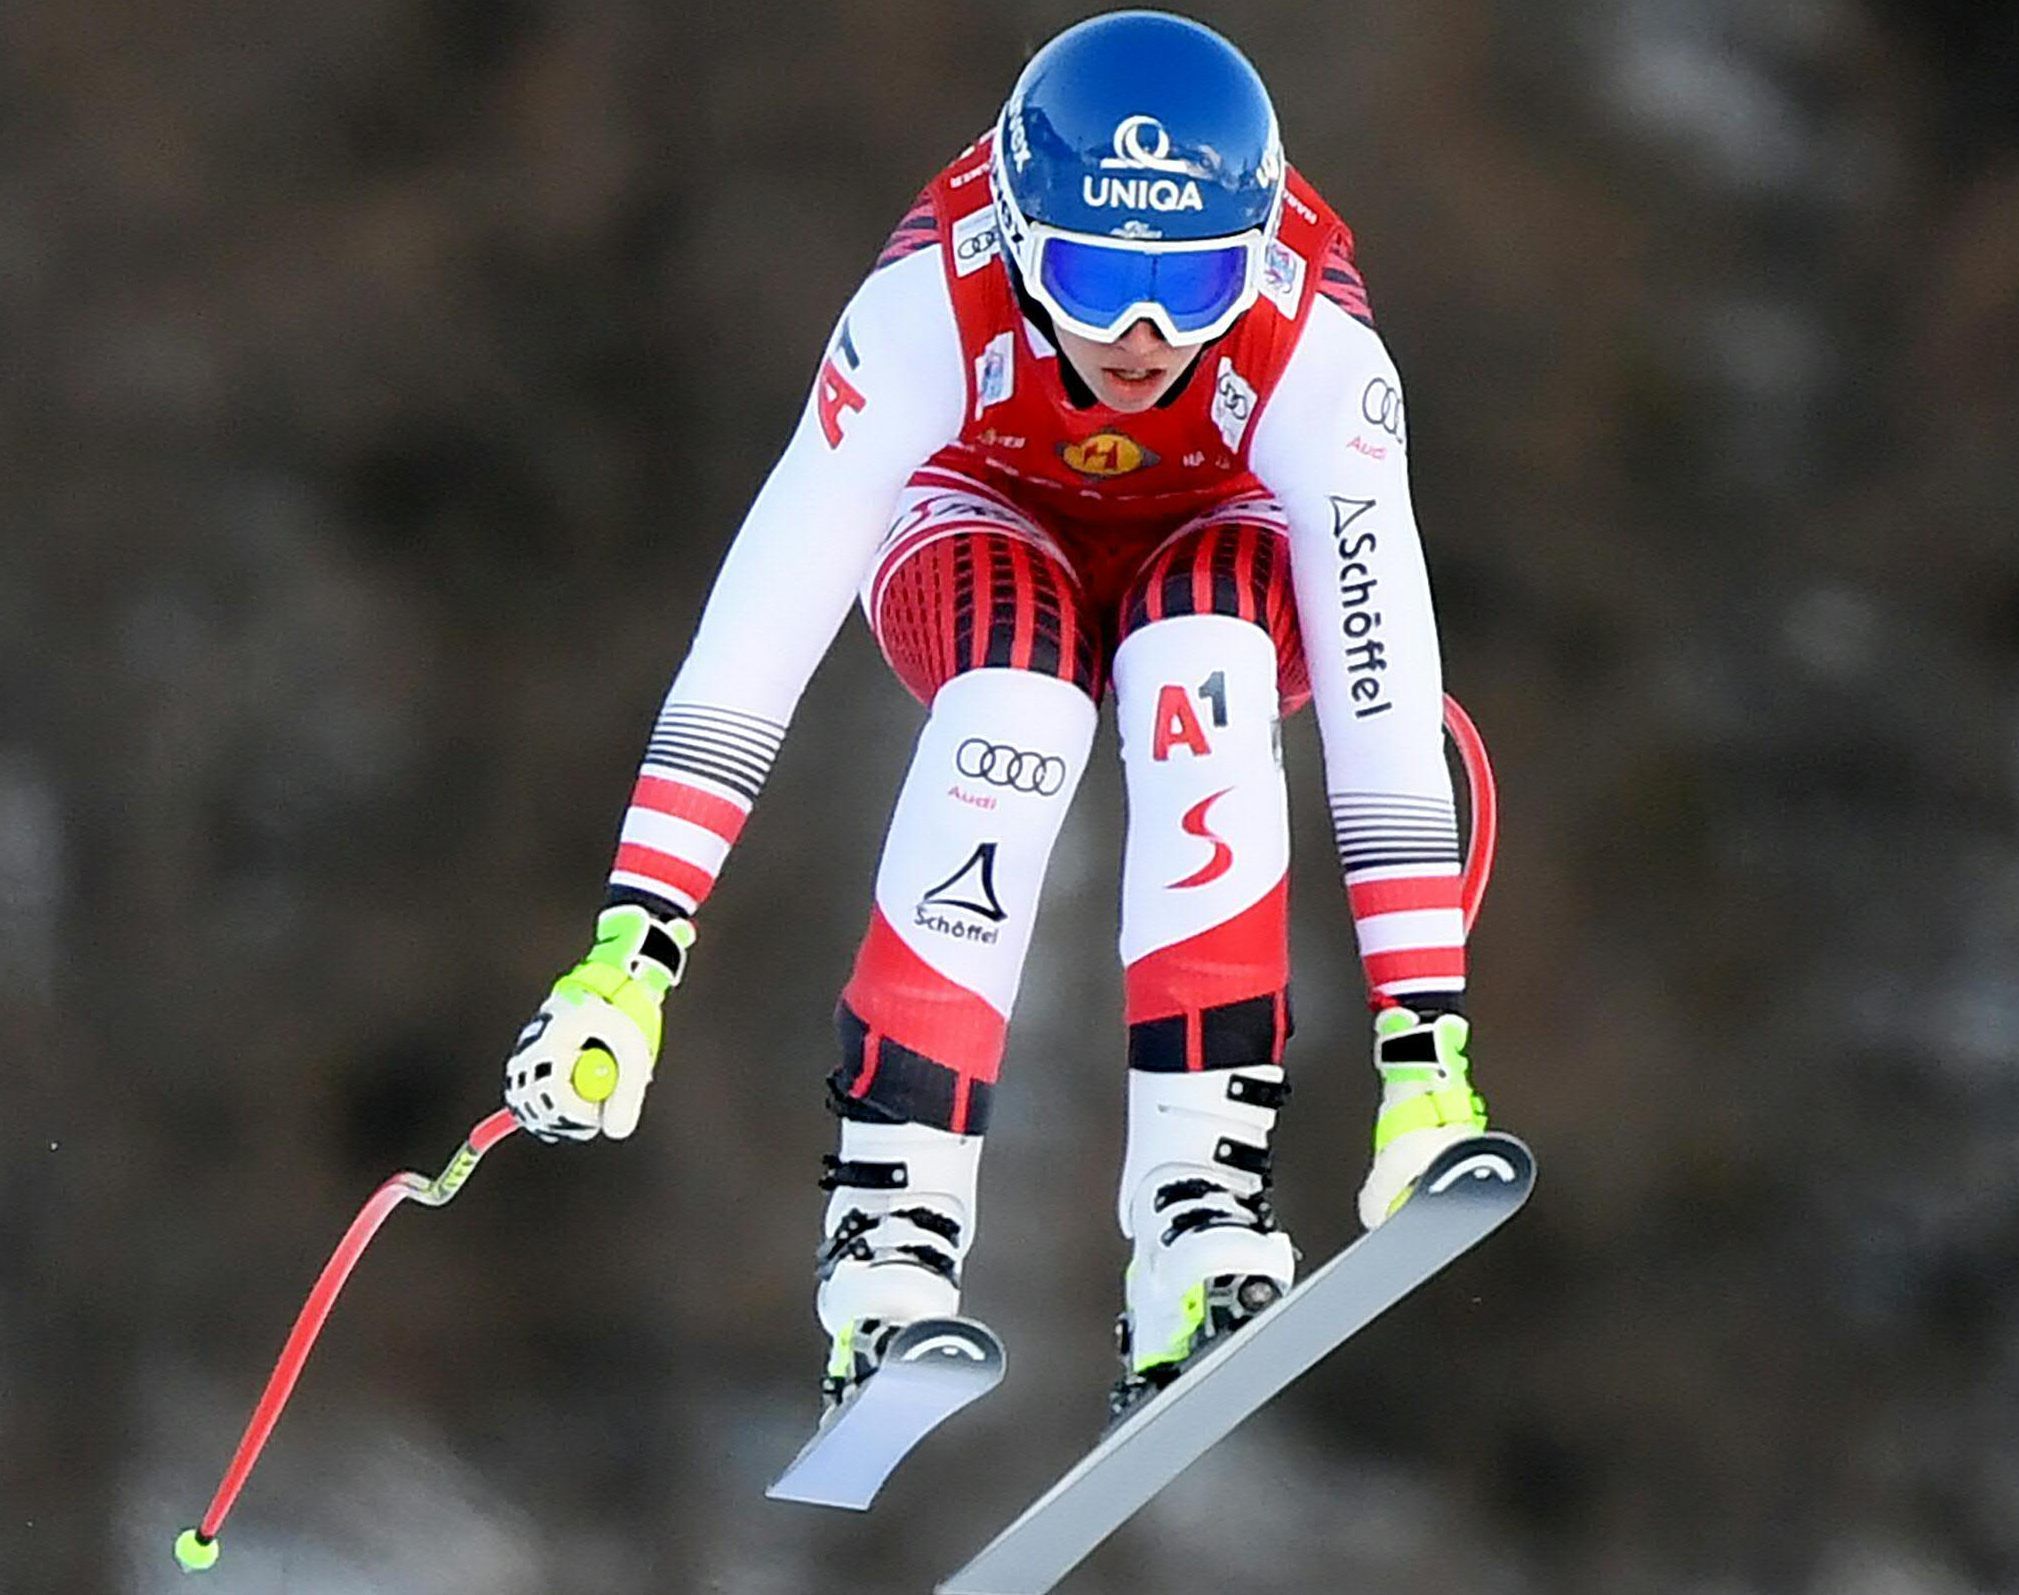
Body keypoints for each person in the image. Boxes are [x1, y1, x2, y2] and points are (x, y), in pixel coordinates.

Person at [501, 9, 1494, 1418]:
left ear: (1254, 256)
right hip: (979, 518)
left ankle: (1195, 1227)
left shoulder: (1314, 352)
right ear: (1024, 243)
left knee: (1199, 665)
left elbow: (1378, 690)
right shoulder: (924, 311)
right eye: (1094, 283)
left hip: (1224, 535)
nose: (1144, 340)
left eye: (1194, 284)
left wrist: (1423, 1051)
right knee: (1015, 706)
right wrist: (633, 951)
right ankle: (888, 1243)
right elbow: (758, 632)